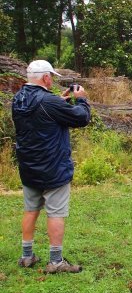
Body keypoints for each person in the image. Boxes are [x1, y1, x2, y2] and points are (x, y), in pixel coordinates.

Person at [12, 60, 91, 273]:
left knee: (31, 210)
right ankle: (56, 261)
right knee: (55, 213)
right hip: (53, 168)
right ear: (46, 77)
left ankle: (26, 256)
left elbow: (40, 114)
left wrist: (58, 101)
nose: (53, 80)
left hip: (29, 167)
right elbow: (82, 118)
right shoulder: (49, 102)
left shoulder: (18, 98)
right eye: (52, 77)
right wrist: (81, 100)